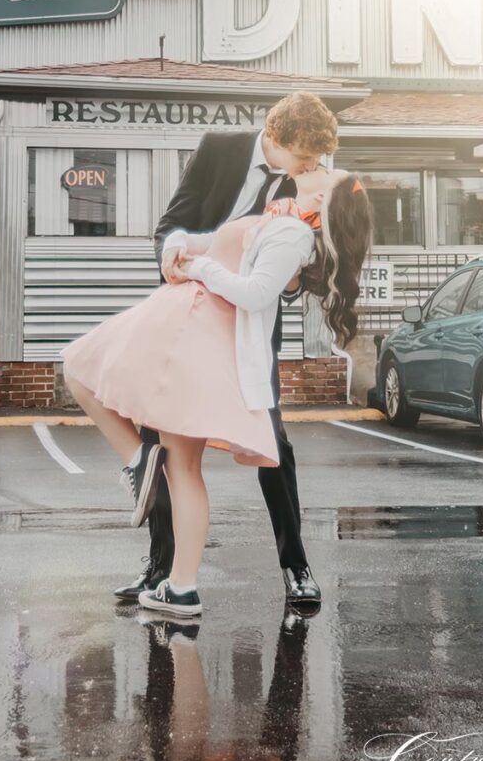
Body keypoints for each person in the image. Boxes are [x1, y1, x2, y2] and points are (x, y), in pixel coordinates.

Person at [62, 163, 373, 618]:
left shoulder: (293, 233)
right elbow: (201, 237)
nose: (317, 166)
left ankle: (142, 469)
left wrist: (201, 267)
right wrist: (178, 247)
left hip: (198, 326)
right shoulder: (277, 215)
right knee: (178, 460)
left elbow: (253, 292)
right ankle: (180, 586)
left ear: (328, 199)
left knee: (84, 368)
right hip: (192, 321)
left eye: (328, 172)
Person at [113, 92, 339, 607]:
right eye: (303, 157)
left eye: (316, 160)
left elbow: (319, 267)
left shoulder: (312, 183)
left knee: (272, 442)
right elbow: (172, 222)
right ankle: (160, 568)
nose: (312, 167)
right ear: (275, 138)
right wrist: (170, 258)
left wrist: (287, 284)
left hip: (250, 325)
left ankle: (296, 565)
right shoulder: (218, 148)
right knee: (162, 438)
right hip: (190, 313)